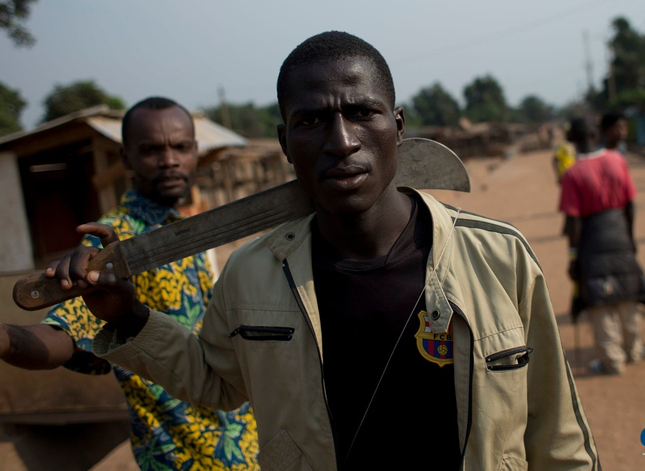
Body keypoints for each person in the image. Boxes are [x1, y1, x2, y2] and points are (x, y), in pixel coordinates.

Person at [47, 32, 600, 470]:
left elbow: (557, 435)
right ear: (286, 143)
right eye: (311, 120)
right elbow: (216, 382)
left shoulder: (498, 259)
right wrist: (130, 317)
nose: (341, 141)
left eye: (362, 112)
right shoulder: (253, 273)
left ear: (398, 127)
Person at [0, 97, 260, 470]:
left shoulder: (184, 227)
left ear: (195, 152)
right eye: (152, 150)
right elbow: (63, 335)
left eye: (181, 147)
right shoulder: (111, 243)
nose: (170, 160)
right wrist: (8, 339)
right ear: (126, 158)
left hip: (244, 442)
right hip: (179, 456)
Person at [559, 118, 645, 375]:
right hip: (620, 234)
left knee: (599, 299)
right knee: (628, 291)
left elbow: (573, 221)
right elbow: (630, 204)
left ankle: (612, 359)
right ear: (595, 134)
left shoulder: (573, 174)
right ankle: (634, 349)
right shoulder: (616, 160)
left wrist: (573, 256)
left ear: (573, 140)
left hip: (593, 241)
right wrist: (630, 237)